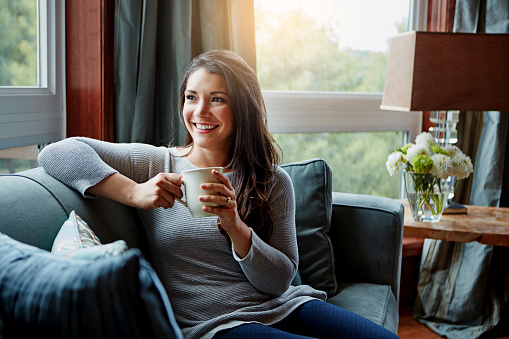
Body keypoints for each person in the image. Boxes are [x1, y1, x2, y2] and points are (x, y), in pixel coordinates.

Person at [38, 49, 400, 339]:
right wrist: (135, 192)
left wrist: (234, 224)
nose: (200, 112)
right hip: (216, 325)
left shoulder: (272, 181)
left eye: (217, 99)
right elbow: (57, 152)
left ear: (241, 107)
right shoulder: (157, 163)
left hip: (287, 306)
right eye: (191, 97)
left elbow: (279, 282)